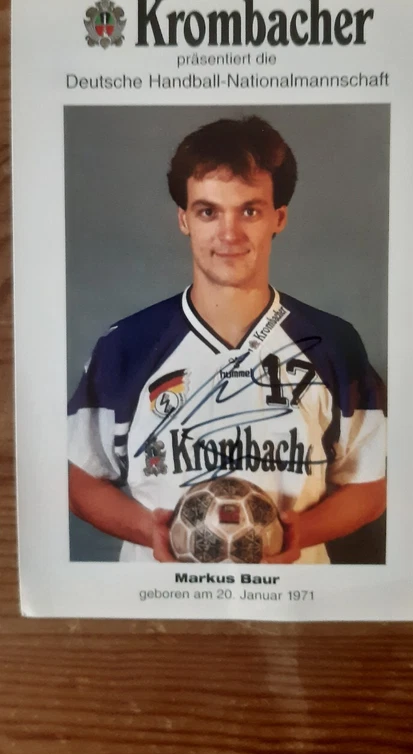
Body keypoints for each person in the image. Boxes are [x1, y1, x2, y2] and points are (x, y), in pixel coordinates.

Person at [68, 115, 386, 564]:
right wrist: (148, 529)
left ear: (279, 217)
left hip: (293, 597)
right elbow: (78, 477)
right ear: (184, 219)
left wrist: (302, 533)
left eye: (249, 211)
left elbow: (371, 483)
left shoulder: (333, 344)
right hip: (163, 601)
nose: (229, 234)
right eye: (208, 211)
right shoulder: (126, 346)